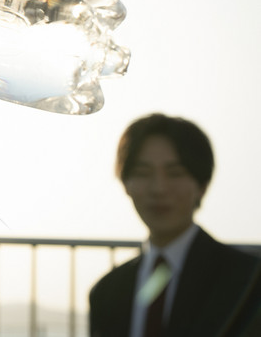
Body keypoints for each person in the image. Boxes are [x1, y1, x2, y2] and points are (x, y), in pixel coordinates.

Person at [89, 113, 261, 337]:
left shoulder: (248, 281)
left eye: (175, 173)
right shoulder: (107, 292)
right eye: (143, 173)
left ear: (202, 185)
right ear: (126, 184)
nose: (159, 188)